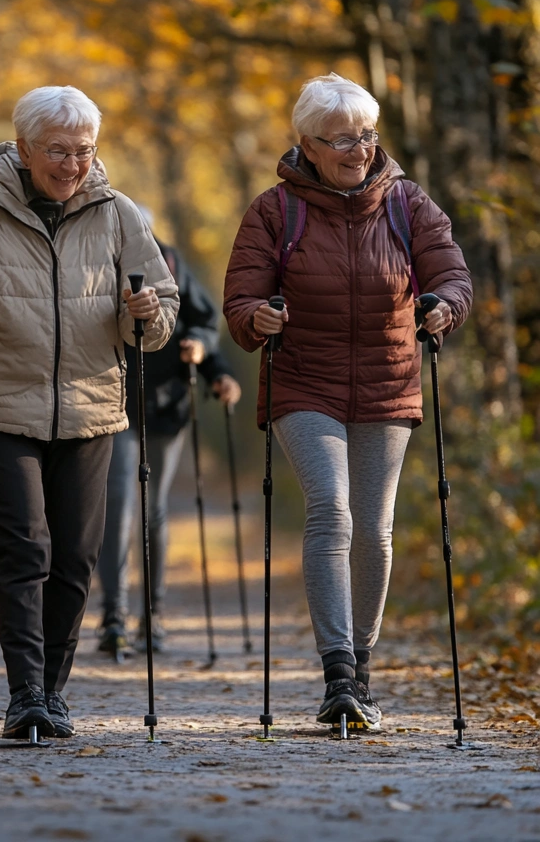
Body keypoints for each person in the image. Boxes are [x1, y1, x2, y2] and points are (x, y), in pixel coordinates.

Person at [0, 86, 179, 739]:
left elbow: (161, 311)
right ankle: (24, 691)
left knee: (77, 556)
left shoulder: (119, 215)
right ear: (24, 149)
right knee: (25, 545)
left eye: (83, 150)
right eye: (57, 151)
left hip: (91, 407)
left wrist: (145, 317)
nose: (72, 164)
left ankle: (54, 690)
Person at [223, 73, 472, 730]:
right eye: (341, 140)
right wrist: (259, 319)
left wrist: (443, 308)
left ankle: (362, 666)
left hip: (389, 384)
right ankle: (337, 672)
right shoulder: (276, 211)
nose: (359, 150)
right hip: (306, 383)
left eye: (366, 136)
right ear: (306, 143)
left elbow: (451, 273)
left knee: (375, 528)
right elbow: (241, 300)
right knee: (331, 510)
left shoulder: (407, 204)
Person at [96, 207, 243, 658]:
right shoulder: (97, 265)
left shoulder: (171, 263)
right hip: (113, 405)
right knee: (119, 504)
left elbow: (202, 321)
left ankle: (152, 614)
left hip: (165, 407)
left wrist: (211, 363)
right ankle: (115, 615)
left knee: (153, 509)